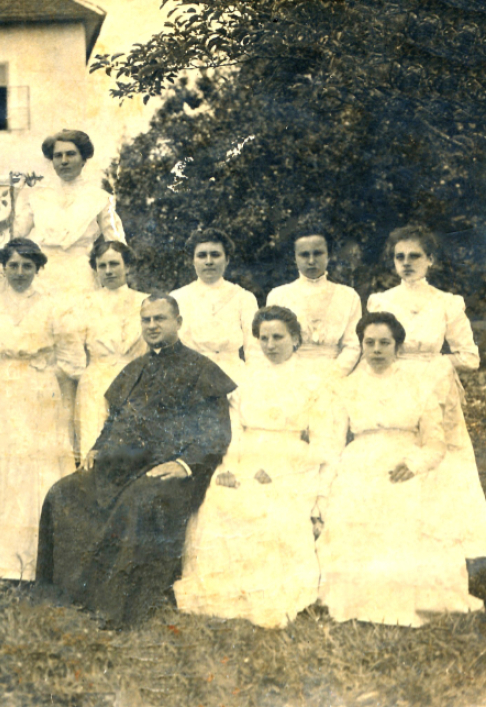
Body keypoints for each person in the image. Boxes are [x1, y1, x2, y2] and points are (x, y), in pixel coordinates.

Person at [36, 294, 235, 627]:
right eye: (147, 320)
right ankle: (67, 593)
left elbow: (216, 432)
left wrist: (184, 465)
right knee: (63, 493)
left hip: (175, 471)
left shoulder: (200, 369)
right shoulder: (134, 369)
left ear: (178, 322)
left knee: (138, 502)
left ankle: (114, 606)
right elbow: (114, 419)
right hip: (124, 465)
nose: (152, 326)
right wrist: (98, 448)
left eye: (160, 318)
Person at [316, 312, 483, 626]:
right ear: (361, 346)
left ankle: (407, 596)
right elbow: (333, 444)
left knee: (406, 510)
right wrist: (326, 489)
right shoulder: (345, 387)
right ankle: (360, 597)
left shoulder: (419, 386)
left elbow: (435, 445)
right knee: (355, 507)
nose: (376, 350)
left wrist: (414, 464)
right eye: (369, 343)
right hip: (359, 464)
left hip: (407, 465)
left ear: (399, 347)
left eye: (384, 343)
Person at [174, 307, 332, 628]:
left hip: (292, 462)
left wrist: (281, 469)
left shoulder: (315, 381)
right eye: (264, 338)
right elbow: (233, 427)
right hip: (245, 455)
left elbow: (324, 442)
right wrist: (228, 465)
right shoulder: (246, 378)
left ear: (296, 339)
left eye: (278, 337)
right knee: (218, 500)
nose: (270, 345)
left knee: (269, 506)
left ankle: (265, 593)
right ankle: (225, 594)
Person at [0, 238, 85, 581]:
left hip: (39, 397)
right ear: (3, 267)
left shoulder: (53, 306)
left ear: (38, 268)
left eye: (27, 266)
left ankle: (35, 565)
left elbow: (73, 360)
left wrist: (45, 376)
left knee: (35, 475)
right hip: (0, 395)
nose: (19, 272)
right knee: (2, 475)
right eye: (12, 265)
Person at [366, 224, 486, 561]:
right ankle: (398, 542)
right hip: (394, 385)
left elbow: (470, 358)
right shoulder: (381, 301)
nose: (406, 262)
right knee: (396, 454)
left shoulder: (447, 303)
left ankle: (446, 545)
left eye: (415, 256)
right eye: (399, 257)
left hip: (437, 388)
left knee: (444, 460)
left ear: (430, 259)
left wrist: (434, 364)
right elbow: (373, 349)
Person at [13, 129, 125, 303]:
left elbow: (117, 244)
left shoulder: (100, 198)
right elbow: (15, 236)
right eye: (58, 156)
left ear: (83, 159)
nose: (64, 161)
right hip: (42, 277)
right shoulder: (35, 196)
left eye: (71, 154)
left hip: (81, 277)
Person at [73, 240, 147, 460]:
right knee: (93, 447)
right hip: (95, 385)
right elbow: (73, 351)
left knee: (133, 452)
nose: (108, 271)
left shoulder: (145, 302)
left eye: (114, 264)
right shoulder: (85, 304)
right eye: (102, 266)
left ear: (128, 266)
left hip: (136, 384)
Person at [266, 230, 362, 378]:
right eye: (304, 255)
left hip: (335, 378)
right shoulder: (278, 296)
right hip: (290, 376)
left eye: (318, 253)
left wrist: (331, 377)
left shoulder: (349, 296)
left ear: (329, 255)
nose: (311, 261)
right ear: (294, 258)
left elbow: (352, 346)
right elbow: (272, 344)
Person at [171, 228, 259, 383]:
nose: (209, 261)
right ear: (192, 260)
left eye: (215, 255)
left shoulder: (243, 297)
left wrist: (252, 383)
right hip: (190, 378)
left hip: (234, 377)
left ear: (227, 260)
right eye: (201, 255)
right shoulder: (177, 298)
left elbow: (254, 350)